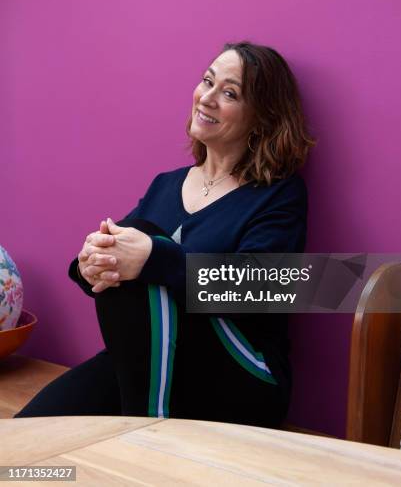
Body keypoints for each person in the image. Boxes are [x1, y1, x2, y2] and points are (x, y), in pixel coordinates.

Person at [14, 41, 315, 428]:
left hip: (243, 378)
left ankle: (146, 443)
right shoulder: (166, 185)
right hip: (150, 362)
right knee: (22, 444)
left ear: (262, 118)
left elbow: (261, 287)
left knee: (141, 242)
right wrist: (88, 266)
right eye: (207, 81)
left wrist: (153, 258)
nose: (206, 98)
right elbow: (122, 252)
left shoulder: (279, 194)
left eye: (229, 93)